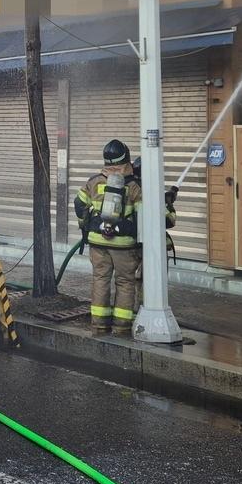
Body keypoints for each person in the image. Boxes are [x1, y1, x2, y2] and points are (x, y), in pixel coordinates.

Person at [74, 139, 143, 336]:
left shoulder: (94, 182)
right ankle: (121, 327)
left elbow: (79, 204)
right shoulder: (135, 187)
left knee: (100, 280)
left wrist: (84, 225)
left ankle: (99, 325)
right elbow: (144, 217)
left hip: (97, 242)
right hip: (124, 246)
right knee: (125, 282)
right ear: (127, 161)